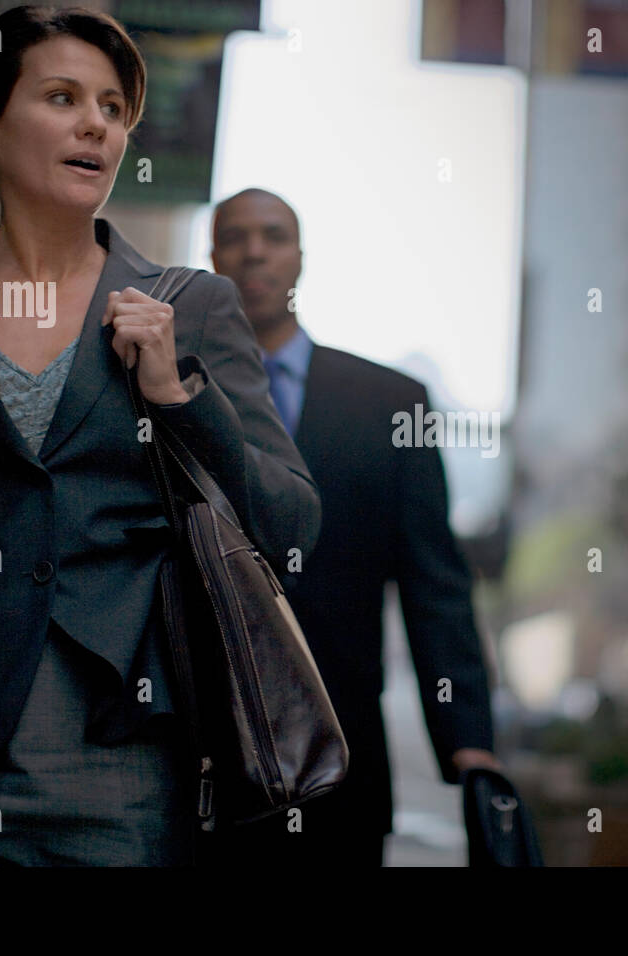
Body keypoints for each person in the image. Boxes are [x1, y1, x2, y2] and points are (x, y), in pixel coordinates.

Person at [0, 6, 320, 867]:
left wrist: (179, 394)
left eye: (113, 109)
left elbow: (291, 527)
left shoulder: (193, 307)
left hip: (116, 782)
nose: (95, 124)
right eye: (64, 97)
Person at [210, 187, 499, 866]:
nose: (256, 251)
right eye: (237, 236)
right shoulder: (175, 386)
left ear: (301, 258)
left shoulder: (393, 403)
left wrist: (469, 739)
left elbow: (435, 583)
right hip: (200, 751)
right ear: (213, 258)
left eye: (274, 236)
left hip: (342, 756)